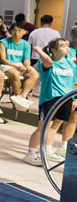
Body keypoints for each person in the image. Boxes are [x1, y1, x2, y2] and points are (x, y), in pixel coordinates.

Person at [24, 38, 77, 166]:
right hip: (50, 99)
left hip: (66, 99)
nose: (67, 48)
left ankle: (47, 150)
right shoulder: (46, 63)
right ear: (53, 49)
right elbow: (48, 60)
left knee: (56, 125)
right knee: (43, 127)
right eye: (63, 46)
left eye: (67, 46)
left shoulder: (70, 64)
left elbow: (73, 82)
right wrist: (38, 50)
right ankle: (30, 153)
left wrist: (74, 99)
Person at [0, 23, 39, 111]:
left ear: (24, 32)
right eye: (14, 30)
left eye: (19, 31)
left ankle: (22, 97)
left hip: (19, 65)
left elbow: (26, 59)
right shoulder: (3, 42)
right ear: (11, 31)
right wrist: (16, 67)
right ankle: (17, 95)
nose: (17, 33)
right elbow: (2, 59)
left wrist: (27, 66)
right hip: (5, 65)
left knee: (34, 74)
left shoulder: (26, 44)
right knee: (15, 73)